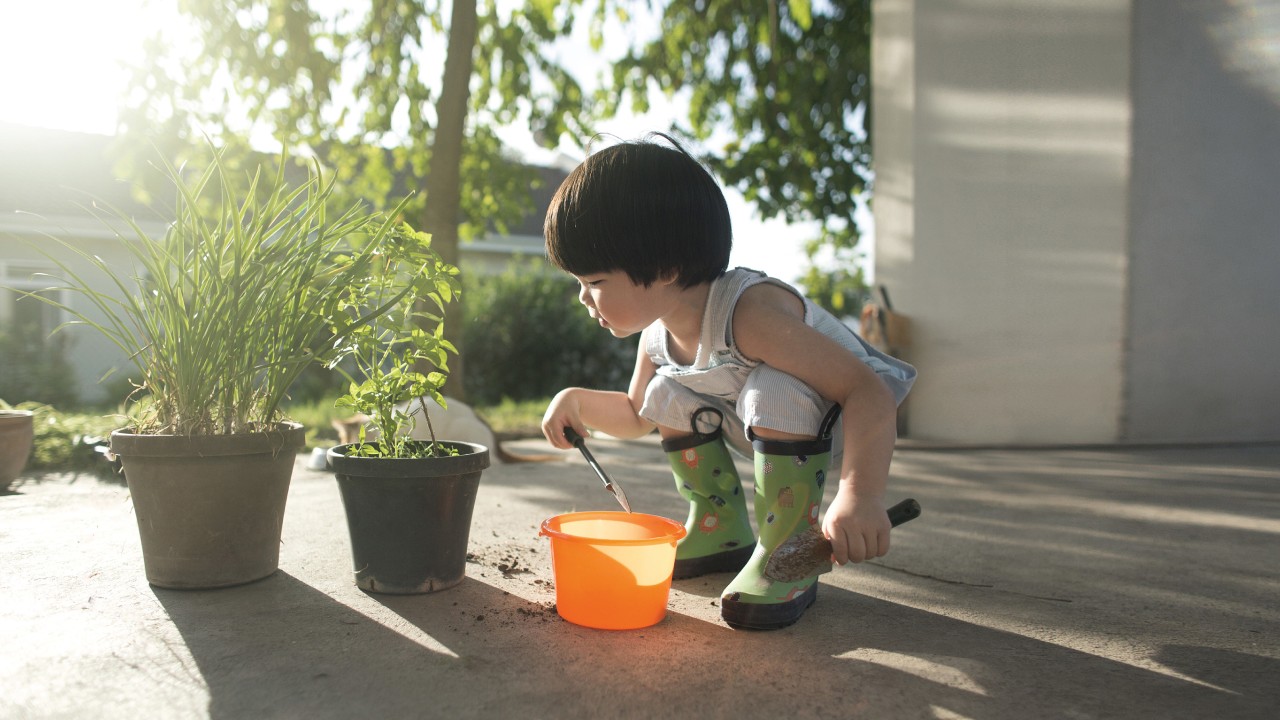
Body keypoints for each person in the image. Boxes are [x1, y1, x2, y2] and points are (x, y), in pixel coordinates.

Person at [540, 133, 917, 630]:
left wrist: (861, 496)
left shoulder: (748, 313)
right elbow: (639, 415)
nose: (584, 299)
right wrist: (577, 403)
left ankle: (786, 550)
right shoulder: (657, 336)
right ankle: (720, 528)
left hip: (843, 426)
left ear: (666, 268)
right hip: (763, 428)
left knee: (772, 387)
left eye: (595, 282)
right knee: (663, 392)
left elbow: (865, 391)